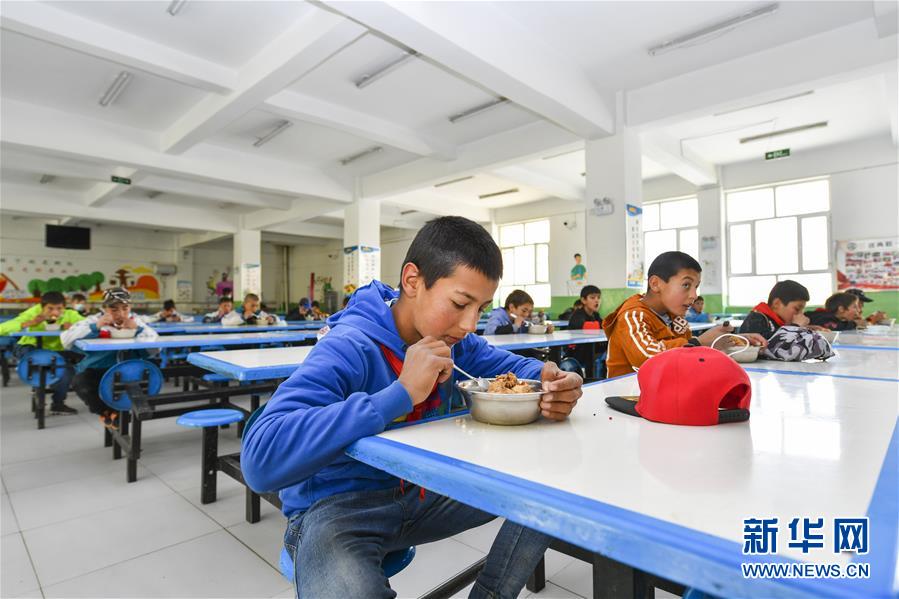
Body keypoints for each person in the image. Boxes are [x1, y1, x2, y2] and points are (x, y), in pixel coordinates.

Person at [241, 216, 583, 599]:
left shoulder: (454, 341)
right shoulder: (349, 346)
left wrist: (551, 380)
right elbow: (258, 462)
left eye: (482, 308)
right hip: (338, 508)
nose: (470, 324)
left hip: (422, 490)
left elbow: (513, 368)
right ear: (412, 281)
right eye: (460, 303)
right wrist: (400, 393)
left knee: (554, 482)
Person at [602, 251, 767, 378]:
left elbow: (688, 355)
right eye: (686, 285)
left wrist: (731, 340)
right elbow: (647, 357)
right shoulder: (632, 316)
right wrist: (699, 342)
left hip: (666, 390)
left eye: (696, 287)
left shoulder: (676, 319)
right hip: (626, 396)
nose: (694, 295)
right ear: (655, 284)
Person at [61, 288, 158, 427]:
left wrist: (138, 329)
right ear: (104, 308)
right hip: (98, 369)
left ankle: (120, 414)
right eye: (114, 309)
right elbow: (65, 339)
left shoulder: (135, 321)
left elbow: (155, 345)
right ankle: (106, 412)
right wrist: (96, 326)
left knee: (147, 377)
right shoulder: (94, 320)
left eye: (125, 308)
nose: (121, 314)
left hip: (128, 370)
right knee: (81, 382)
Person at [0, 291, 83, 414]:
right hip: (31, 346)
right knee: (39, 364)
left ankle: (57, 403)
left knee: (66, 370)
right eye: (50, 308)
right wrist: (29, 323)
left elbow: (89, 325)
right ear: (42, 307)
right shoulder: (33, 313)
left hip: (57, 352)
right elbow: (2, 328)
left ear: (64, 307)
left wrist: (75, 327)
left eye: (59, 308)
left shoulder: (70, 314)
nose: (55, 313)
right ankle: (38, 393)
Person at [739, 280, 812, 339]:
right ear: (777, 304)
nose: (800, 314)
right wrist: (795, 327)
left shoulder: (780, 322)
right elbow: (762, 342)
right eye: (797, 309)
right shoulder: (756, 318)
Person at [484, 289, 553, 335]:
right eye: (524, 310)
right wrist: (515, 326)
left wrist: (544, 330)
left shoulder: (521, 317)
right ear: (512, 307)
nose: (526, 314)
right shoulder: (498, 315)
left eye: (529, 311)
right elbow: (490, 332)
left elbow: (530, 326)